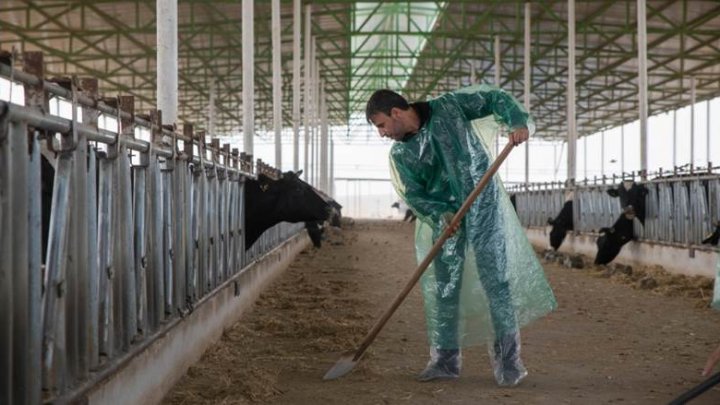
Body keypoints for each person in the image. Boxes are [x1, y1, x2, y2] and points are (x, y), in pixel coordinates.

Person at [366, 85, 556, 387]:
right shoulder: (401, 154)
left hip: (482, 203)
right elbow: (413, 193)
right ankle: (444, 361)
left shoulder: (449, 108)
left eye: (381, 125)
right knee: (445, 286)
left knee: (496, 280)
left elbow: (495, 99)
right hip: (447, 218)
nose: (382, 133)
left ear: (397, 112)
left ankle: (509, 362)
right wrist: (439, 212)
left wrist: (517, 122)